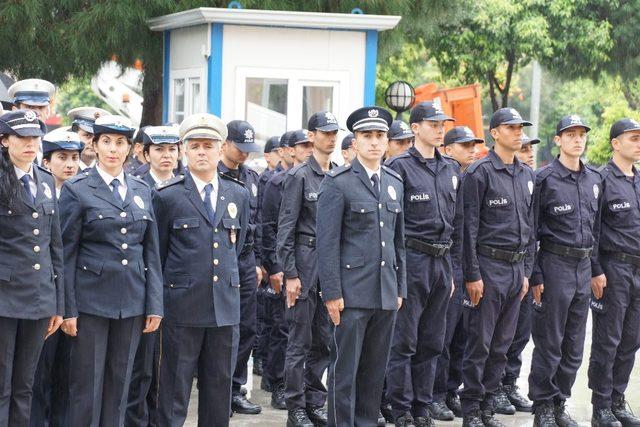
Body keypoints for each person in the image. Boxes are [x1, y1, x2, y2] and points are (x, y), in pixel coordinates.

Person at [58, 114, 163, 426]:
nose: (113, 149)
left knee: (120, 387)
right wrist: (68, 309)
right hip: (90, 304)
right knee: (86, 388)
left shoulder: (142, 190)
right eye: (106, 141)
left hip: (131, 302)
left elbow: (151, 251)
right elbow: (65, 254)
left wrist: (154, 303)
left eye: (120, 143)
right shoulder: (77, 189)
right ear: (95, 144)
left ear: (130, 149)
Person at [153, 113, 250, 427]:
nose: (201, 152)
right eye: (194, 146)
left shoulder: (238, 195)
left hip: (224, 308)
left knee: (219, 390)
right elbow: (159, 254)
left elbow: (239, 244)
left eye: (208, 145)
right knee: (173, 392)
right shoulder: (167, 197)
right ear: (184, 151)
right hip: (182, 309)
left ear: (221, 150)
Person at [317, 106, 406, 426]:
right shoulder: (338, 182)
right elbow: (327, 243)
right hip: (351, 296)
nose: (374, 142)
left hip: (384, 293)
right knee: (345, 373)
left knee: (373, 374)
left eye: (380, 136)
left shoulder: (394, 181)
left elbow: (399, 243)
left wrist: (400, 289)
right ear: (355, 142)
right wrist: (331, 293)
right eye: (366, 136)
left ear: (386, 141)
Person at [384, 101, 462, 427]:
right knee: (404, 341)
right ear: (415, 128)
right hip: (412, 259)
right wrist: (396, 272)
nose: (440, 128)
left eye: (442, 123)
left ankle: (421, 406)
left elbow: (458, 222)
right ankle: (400, 409)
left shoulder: (451, 168)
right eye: (432, 123)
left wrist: (453, 268)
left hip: (442, 262)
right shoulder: (398, 167)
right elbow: (391, 226)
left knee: (432, 341)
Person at [460, 107, 535, 427]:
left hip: (516, 270)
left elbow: (531, 229)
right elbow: (467, 230)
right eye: (511, 127)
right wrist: (473, 274)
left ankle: (488, 406)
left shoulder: (527, 174)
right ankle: (472, 409)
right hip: (488, 268)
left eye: (521, 128)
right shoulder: (479, 173)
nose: (518, 133)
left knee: (502, 346)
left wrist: (527, 273)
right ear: (495, 133)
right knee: (480, 343)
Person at [527, 115, 601, 426]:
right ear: (558, 140)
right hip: (554, 264)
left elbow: (596, 230)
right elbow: (531, 229)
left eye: (581, 134)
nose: (577, 139)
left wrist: (596, 270)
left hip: (583, 267)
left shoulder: (595, 179)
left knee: (573, 344)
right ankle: (543, 404)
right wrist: (535, 275)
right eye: (570, 134)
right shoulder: (544, 180)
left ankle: (560, 401)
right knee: (550, 340)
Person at [0, 110, 64, 426]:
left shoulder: (44, 178)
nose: (30, 144)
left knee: (25, 385)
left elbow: (55, 248)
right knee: (2, 385)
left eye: (35, 137)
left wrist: (58, 304)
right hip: (4, 298)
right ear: (4, 140)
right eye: (22, 137)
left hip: (39, 300)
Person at [277, 111, 339, 426]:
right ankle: (296, 407)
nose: (331, 138)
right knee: (299, 341)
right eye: (325, 132)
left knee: (324, 340)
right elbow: (285, 228)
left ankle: (316, 401)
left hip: (330, 267)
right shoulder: (299, 176)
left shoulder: (340, 174)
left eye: (334, 133)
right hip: (304, 260)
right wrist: (290, 274)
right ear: (311, 136)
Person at [588, 118, 640, 427]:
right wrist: (596, 269)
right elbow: (591, 229)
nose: (638, 143)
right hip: (613, 268)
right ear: (615, 144)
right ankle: (601, 405)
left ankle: (618, 398)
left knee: (631, 339)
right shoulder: (601, 180)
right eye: (632, 138)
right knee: (608, 340)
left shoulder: (639, 180)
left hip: (638, 269)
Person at [30, 128, 83, 427]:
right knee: (39, 373)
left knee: (67, 373)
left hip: (75, 298)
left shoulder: (83, 193)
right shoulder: (36, 191)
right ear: (46, 161)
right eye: (62, 158)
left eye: (74, 157)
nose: (70, 165)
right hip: (43, 297)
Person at [432, 126, 483, 419]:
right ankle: (436, 394)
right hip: (447, 264)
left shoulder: (466, 178)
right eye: (465, 145)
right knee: (442, 337)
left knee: (462, 335)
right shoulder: (446, 177)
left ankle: (451, 389)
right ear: (448, 149)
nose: (472, 149)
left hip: (465, 266)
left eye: (473, 144)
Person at [261, 130, 313, 410]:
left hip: (309, 264)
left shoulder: (320, 177)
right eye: (303, 145)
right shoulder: (277, 182)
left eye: (309, 144)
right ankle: (278, 383)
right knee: (282, 328)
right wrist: (275, 266)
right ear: (289, 150)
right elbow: (270, 227)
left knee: (309, 333)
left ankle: (300, 385)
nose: (307, 149)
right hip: (285, 264)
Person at [217, 120, 264, 415]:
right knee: (222, 329)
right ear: (225, 144)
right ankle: (218, 391)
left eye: (248, 149)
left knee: (246, 327)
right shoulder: (214, 175)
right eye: (239, 147)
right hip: (222, 259)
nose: (244, 154)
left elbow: (260, 224)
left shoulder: (253, 178)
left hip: (246, 261)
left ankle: (236, 389)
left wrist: (259, 261)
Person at [494, 132, 540, 415]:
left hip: (525, 266)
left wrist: (530, 272)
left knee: (520, 333)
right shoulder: (492, 176)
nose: (529, 152)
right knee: (498, 337)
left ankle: (510, 383)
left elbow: (534, 231)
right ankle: (495, 387)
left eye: (530, 148)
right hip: (499, 266)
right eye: (524, 148)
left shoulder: (532, 180)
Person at [254, 135, 283, 379]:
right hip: (269, 259)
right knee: (270, 319)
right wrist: (266, 262)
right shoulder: (268, 181)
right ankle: (266, 367)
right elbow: (265, 224)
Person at [67, 107, 111, 171]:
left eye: (97, 137)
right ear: (74, 135)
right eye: (87, 135)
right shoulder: (63, 171)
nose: (92, 142)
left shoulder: (108, 172)